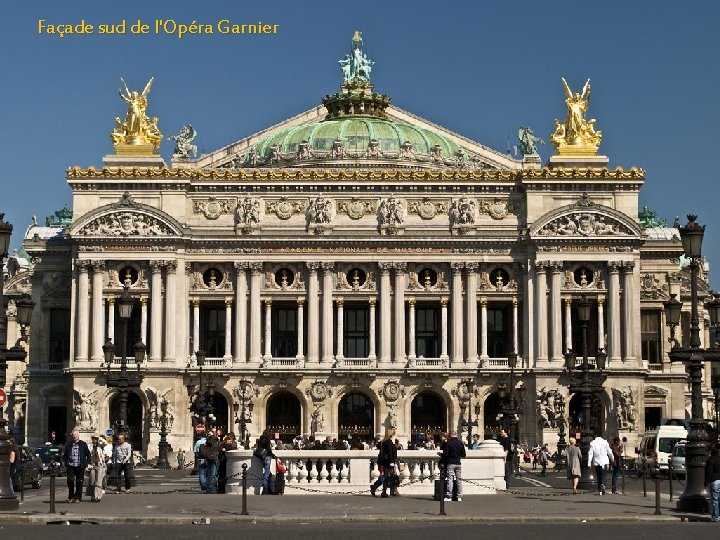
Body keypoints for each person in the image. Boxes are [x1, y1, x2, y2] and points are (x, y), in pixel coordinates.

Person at [62, 429, 91, 503]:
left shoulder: (83, 444)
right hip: (71, 466)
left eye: (76, 435)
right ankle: (71, 496)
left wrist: (88, 463)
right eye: (73, 435)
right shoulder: (68, 444)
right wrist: (66, 463)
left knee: (79, 482)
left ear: (78, 435)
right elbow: (65, 455)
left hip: (80, 466)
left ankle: (78, 497)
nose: (74, 436)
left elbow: (88, 454)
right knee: (70, 481)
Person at [371, 427, 398, 498]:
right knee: (386, 477)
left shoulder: (383, 441)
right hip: (388, 462)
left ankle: (383, 491)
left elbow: (378, 446)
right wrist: (392, 462)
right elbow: (390, 453)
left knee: (385, 476)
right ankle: (376, 488)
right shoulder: (388, 442)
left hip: (383, 462)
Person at [442, 430, 466, 502]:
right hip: (458, 463)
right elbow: (463, 454)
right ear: (456, 435)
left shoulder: (448, 443)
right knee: (459, 480)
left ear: (450, 435)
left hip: (450, 463)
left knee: (450, 479)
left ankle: (449, 496)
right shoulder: (460, 443)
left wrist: (442, 454)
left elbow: (445, 454)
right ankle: (459, 496)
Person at [254, 429, 275, 495]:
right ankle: (265, 488)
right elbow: (268, 449)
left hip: (261, 457)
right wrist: (273, 455)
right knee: (267, 473)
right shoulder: (267, 440)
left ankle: (268, 488)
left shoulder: (260, 440)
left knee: (269, 473)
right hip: (267, 457)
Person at [87, 434, 106, 502]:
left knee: (99, 481)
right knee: (92, 480)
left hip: (99, 464)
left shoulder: (100, 445)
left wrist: (99, 437)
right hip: (92, 464)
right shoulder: (89, 445)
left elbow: (105, 443)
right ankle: (93, 495)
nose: (94, 440)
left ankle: (98, 496)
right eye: (93, 438)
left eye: (96, 439)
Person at [705, 445, 720, 522]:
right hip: (719, 480)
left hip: (714, 481)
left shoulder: (710, 460)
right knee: (718, 498)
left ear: (711, 452)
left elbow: (709, 473)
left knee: (714, 500)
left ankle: (715, 516)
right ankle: (718, 515)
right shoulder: (718, 459)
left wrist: (706, 482)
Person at [193, 427, 208, 492]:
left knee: (201, 473)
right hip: (207, 459)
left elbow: (195, 451)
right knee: (207, 472)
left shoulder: (198, 442)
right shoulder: (208, 441)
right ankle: (206, 485)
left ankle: (203, 486)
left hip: (200, 458)